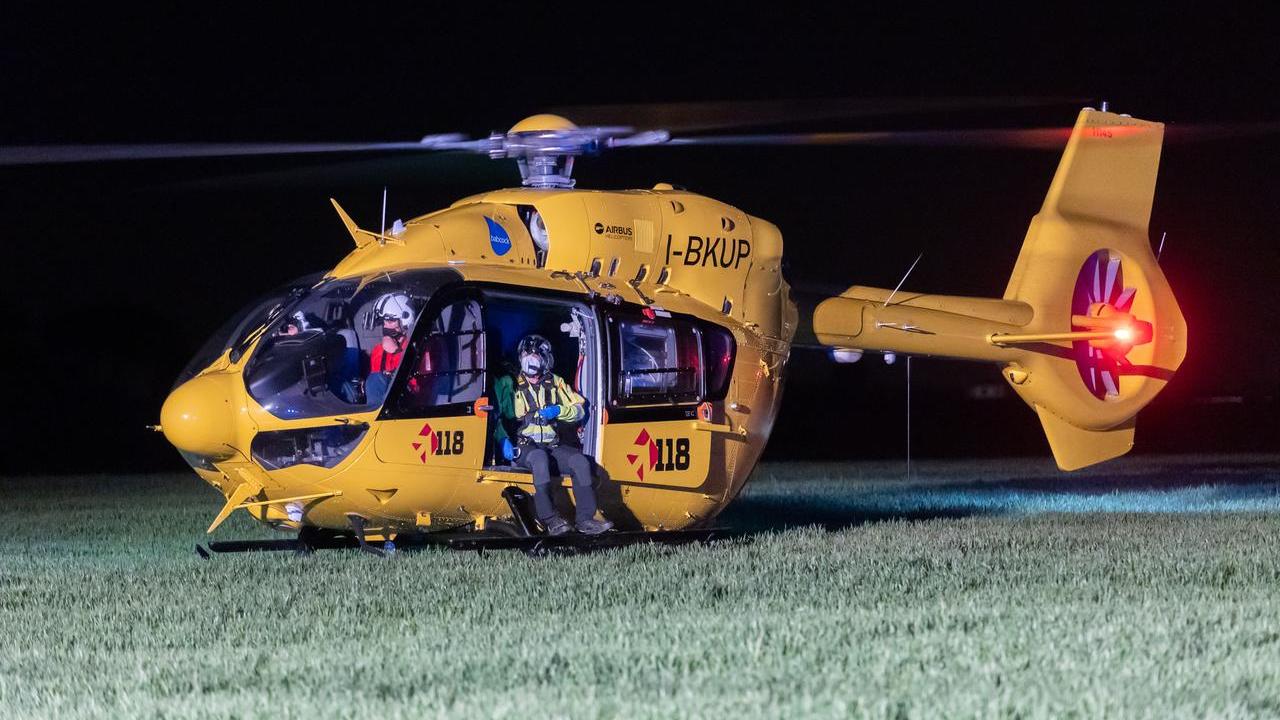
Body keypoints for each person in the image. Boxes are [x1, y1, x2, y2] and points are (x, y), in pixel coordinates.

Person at [505, 334, 612, 536]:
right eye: (527, 353)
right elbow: (499, 414)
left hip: (551, 446)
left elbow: (579, 409)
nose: (531, 358)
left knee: (579, 461)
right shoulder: (510, 383)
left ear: (546, 358)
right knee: (539, 458)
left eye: (537, 354)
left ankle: (585, 520)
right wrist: (503, 440)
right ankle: (550, 519)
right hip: (524, 448)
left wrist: (558, 411)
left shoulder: (556, 382)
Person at [364, 292, 416, 406]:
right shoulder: (378, 350)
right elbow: (376, 387)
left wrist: (397, 353)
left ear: (405, 320)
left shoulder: (418, 346)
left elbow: (417, 386)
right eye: (384, 321)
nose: (385, 326)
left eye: (390, 321)